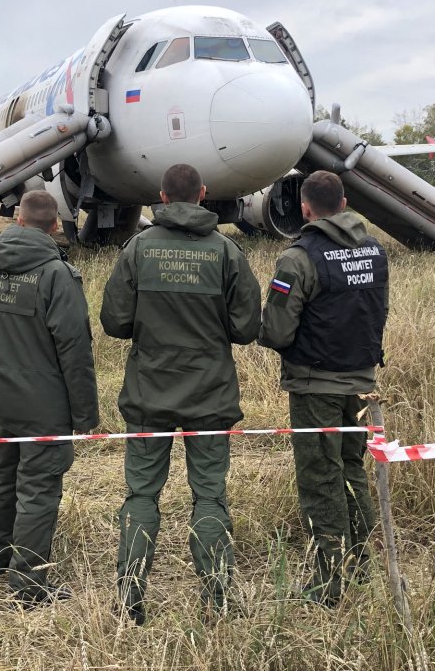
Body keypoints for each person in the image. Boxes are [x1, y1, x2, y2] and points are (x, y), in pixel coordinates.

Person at [100, 163, 261, 625]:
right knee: (209, 497)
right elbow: (247, 328)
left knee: (141, 497)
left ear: (162, 197)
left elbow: (114, 322)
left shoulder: (137, 249)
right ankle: (218, 600)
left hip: (150, 395)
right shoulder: (227, 252)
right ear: (204, 195)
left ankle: (130, 601)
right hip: (210, 397)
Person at [0, 189, 99, 609]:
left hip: (1, 400)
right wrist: (85, 414)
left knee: (2, 475)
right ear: (55, 226)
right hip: (45, 406)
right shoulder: (57, 275)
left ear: (17, 221)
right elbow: (75, 350)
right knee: (38, 490)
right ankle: (29, 586)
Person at [258, 170, 388, 608]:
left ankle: (329, 582)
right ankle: (364, 564)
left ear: (305, 209)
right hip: (362, 381)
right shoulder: (375, 251)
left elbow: (276, 329)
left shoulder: (298, 258)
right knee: (352, 470)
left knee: (319, 478)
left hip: (316, 386)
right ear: (346, 202)